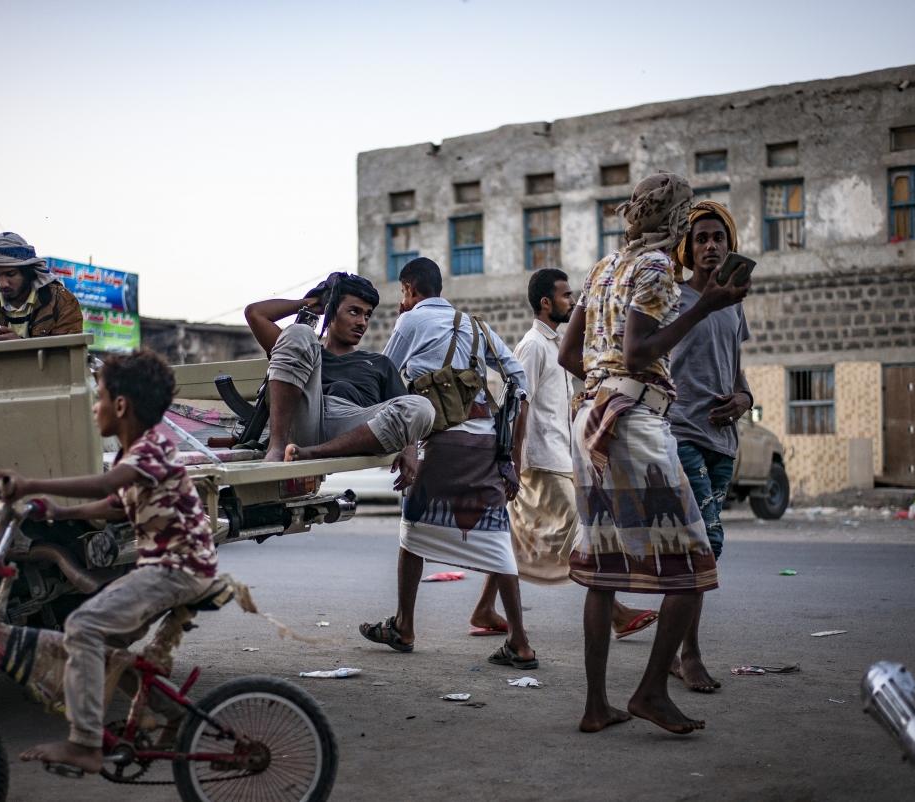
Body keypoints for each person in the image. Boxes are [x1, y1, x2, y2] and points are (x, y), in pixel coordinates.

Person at [558, 173, 748, 735]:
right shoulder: (658, 267)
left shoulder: (603, 267)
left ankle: (597, 706)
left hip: (591, 417)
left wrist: (604, 380)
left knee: (603, 569)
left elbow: (571, 351)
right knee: (694, 569)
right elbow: (640, 350)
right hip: (633, 423)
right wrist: (705, 307)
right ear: (676, 220)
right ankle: (650, 692)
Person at [0, 349, 223, 773]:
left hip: (176, 570)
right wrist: (58, 513)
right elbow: (116, 503)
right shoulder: (139, 451)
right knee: (109, 650)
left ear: (120, 406)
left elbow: (106, 483)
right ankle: (177, 715)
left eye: (97, 397)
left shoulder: (147, 450)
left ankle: (85, 743)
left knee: (81, 626)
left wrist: (28, 484)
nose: (93, 407)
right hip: (174, 567)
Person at [361, 256, 538, 668]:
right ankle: (521, 642)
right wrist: (510, 453)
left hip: (439, 445)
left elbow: (385, 375)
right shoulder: (477, 326)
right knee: (498, 543)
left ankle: (404, 625)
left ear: (408, 290)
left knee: (412, 535)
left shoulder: (409, 322)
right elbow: (519, 380)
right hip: (485, 446)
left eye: (403, 295)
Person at [469, 269, 658, 642]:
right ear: (546, 302)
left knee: (515, 539)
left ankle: (485, 608)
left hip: (558, 456)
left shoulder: (556, 345)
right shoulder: (533, 346)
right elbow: (518, 404)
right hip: (540, 461)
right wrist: (515, 461)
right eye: (566, 296)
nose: (572, 302)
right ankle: (617, 614)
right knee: (579, 535)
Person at [667, 200, 753, 693]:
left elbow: (736, 370)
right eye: (700, 238)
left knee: (699, 548)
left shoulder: (734, 302)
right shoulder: (673, 298)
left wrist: (744, 398)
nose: (710, 245)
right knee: (704, 543)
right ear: (687, 248)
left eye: (718, 237)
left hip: (723, 437)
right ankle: (688, 654)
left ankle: (681, 648)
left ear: (730, 244)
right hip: (681, 432)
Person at [244, 272, 434, 463]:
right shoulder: (306, 351)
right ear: (331, 311)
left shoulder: (379, 363)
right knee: (299, 331)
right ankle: (276, 448)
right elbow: (255, 313)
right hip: (307, 420)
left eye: (367, 315)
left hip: (353, 429)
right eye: (354, 312)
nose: (362, 322)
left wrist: (410, 450)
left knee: (422, 406)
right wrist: (310, 303)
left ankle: (313, 453)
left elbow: (405, 413)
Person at [0, 231, 83, 343]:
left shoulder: (62, 302)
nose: (2, 283)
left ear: (27, 272)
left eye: (10, 274)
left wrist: (20, 346)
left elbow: (67, 358)